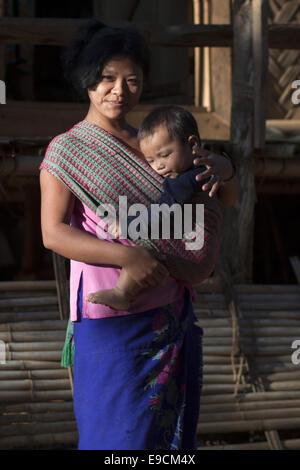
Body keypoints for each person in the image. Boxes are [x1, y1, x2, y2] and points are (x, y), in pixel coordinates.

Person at [39, 19, 238, 451]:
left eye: (132, 80)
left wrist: (227, 171)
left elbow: (220, 196)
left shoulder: (156, 143)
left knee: (169, 440)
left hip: (170, 315)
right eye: (107, 78)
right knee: (116, 439)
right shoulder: (67, 149)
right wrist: (127, 258)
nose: (119, 90)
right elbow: (52, 233)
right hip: (114, 322)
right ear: (86, 80)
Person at [86, 105, 225, 310]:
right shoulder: (202, 169)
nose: (158, 166)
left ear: (192, 144)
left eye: (165, 155)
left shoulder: (186, 180)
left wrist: (130, 225)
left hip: (196, 254)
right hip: (204, 256)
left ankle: (122, 293)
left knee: (145, 250)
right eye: (150, 160)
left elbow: (165, 210)